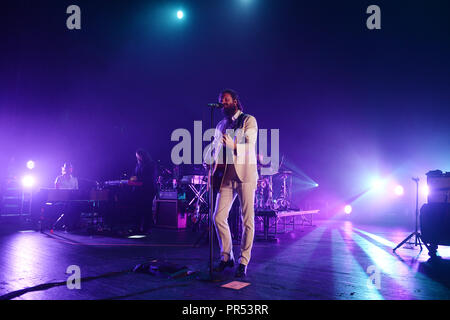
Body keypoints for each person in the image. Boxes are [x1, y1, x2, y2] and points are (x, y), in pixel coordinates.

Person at [204, 89, 258, 277]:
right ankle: (227, 256)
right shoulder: (220, 124)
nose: (223, 103)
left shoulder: (248, 120)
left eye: (226, 100)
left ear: (235, 101)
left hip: (245, 175)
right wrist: (210, 159)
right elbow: (217, 148)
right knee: (218, 217)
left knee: (247, 220)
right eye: (221, 101)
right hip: (226, 175)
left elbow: (250, 144)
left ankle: (244, 261)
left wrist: (234, 145)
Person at [131, 149, 157, 234]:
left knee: (146, 209)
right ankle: (137, 227)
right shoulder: (138, 165)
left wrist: (137, 179)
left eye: (138, 155)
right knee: (137, 209)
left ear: (143, 155)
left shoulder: (151, 164)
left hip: (147, 190)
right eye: (137, 156)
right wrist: (130, 180)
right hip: (138, 190)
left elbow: (150, 177)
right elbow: (134, 175)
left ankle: (147, 228)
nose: (137, 157)